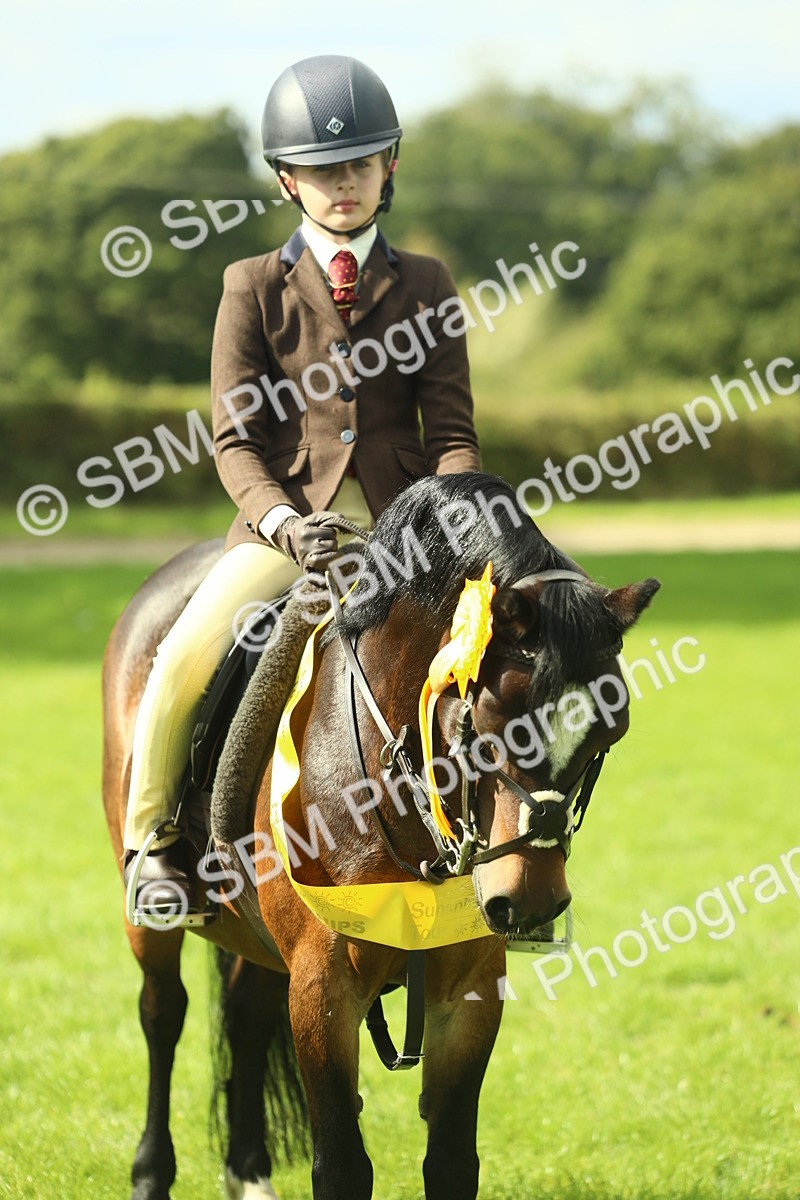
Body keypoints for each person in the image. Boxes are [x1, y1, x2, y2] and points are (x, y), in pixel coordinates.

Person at [123, 53, 481, 920]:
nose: (343, 183)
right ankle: (152, 846)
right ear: (288, 179)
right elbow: (235, 440)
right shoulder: (249, 286)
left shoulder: (427, 283)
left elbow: (453, 435)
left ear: (389, 165)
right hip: (289, 532)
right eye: (323, 170)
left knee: (509, 655)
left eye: (359, 164)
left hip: (408, 532)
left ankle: (516, 861)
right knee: (182, 656)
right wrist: (284, 523)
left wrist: (455, 523)